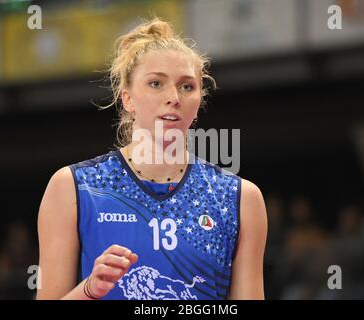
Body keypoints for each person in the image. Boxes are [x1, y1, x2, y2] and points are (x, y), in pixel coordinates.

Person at [37, 17, 267, 300]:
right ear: (128, 99)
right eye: (156, 83)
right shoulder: (74, 188)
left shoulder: (240, 198)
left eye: (187, 86)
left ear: (199, 102)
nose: (173, 97)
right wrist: (88, 290)